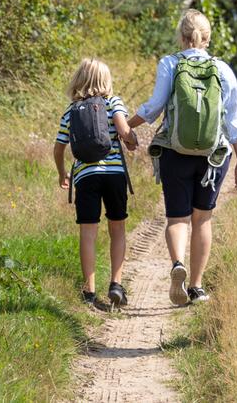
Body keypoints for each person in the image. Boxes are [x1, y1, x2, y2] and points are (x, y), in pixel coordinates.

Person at [127, 9, 237, 305]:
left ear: (181, 37)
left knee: (177, 218)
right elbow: (233, 122)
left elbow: (154, 107)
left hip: (174, 151)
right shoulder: (223, 70)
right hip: (213, 156)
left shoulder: (170, 63)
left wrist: (125, 126)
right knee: (202, 219)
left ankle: (177, 263)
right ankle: (196, 286)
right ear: (207, 38)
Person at [54, 58, 138, 308]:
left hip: (85, 177)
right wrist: (133, 141)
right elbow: (124, 131)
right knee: (117, 229)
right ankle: (115, 284)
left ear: (78, 80)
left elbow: (58, 149)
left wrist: (62, 173)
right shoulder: (113, 102)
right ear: (106, 81)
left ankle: (89, 292)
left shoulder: (70, 111)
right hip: (114, 176)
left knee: (88, 233)